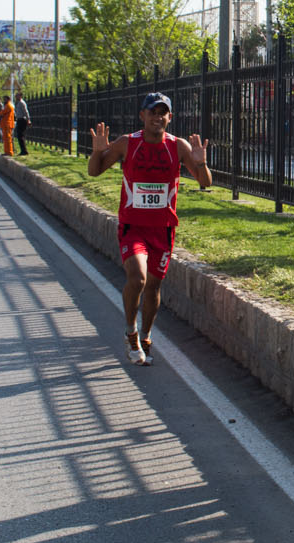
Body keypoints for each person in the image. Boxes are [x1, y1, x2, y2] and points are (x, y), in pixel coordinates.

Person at [87, 92, 212, 366]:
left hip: (163, 230)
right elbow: (94, 172)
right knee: (138, 277)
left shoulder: (177, 146)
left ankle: (145, 334)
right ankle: (131, 331)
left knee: (154, 286)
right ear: (142, 116)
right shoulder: (126, 143)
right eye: (152, 112)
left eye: (162, 112)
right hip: (133, 227)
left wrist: (200, 162)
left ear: (170, 117)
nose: (158, 117)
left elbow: (205, 182)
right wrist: (98, 151)